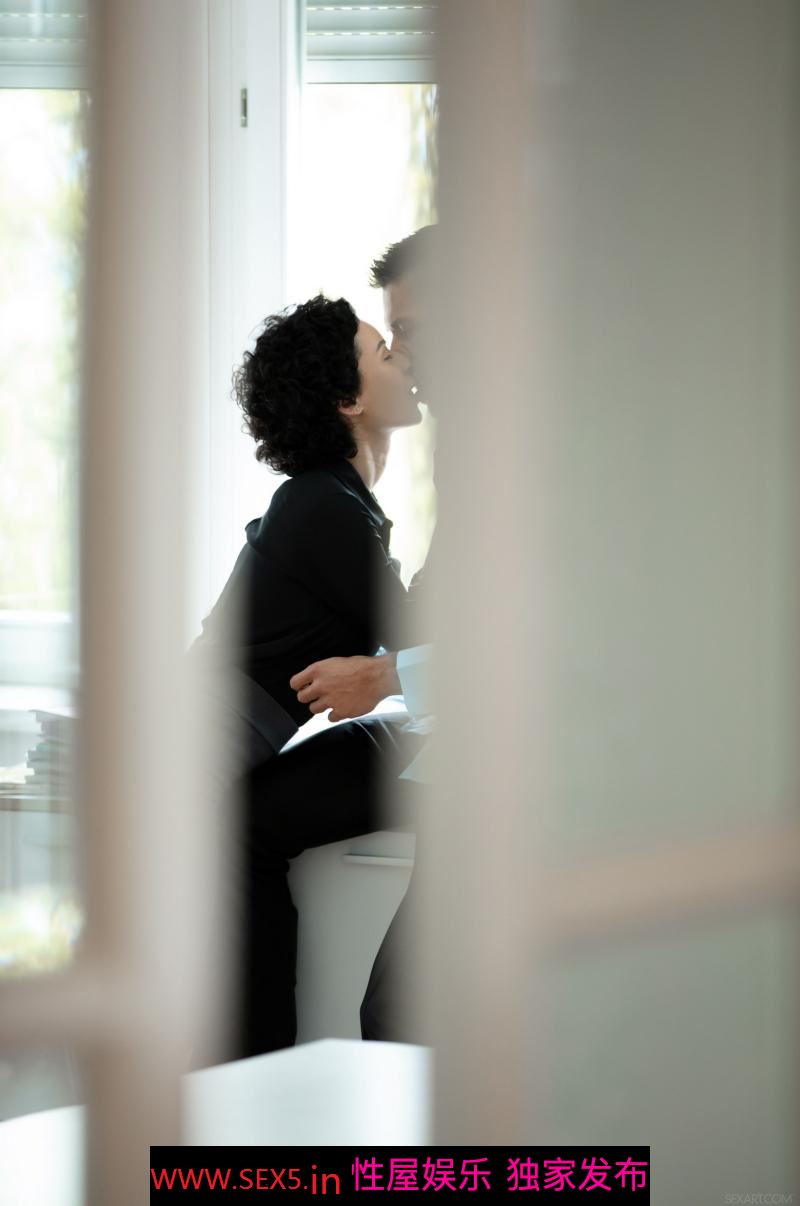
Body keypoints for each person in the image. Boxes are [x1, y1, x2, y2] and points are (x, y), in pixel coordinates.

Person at [236, 228, 436, 1056]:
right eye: (387, 348)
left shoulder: (337, 504)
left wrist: (386, 676)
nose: (403, 358)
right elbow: (421, 630)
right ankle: (255, 1079)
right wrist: (390, 673)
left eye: (403, 339)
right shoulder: (325, 506)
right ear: (349, 400)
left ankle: (256, 1078)